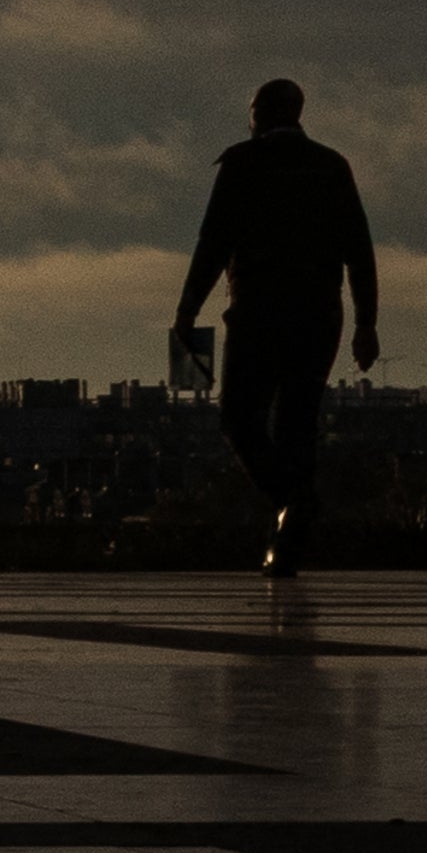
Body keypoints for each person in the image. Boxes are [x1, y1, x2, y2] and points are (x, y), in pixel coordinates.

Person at [171, 77, 383, 574]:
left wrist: (187, 310)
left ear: (260, 114)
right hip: (319, 317)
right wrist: (366, 324)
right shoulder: (332, 168)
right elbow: (360, 253)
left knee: (240, 418)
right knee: (297, 425)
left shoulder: (243, 165)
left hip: (259, 315)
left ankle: (292, 501)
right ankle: (290, 537)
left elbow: (213, 243)